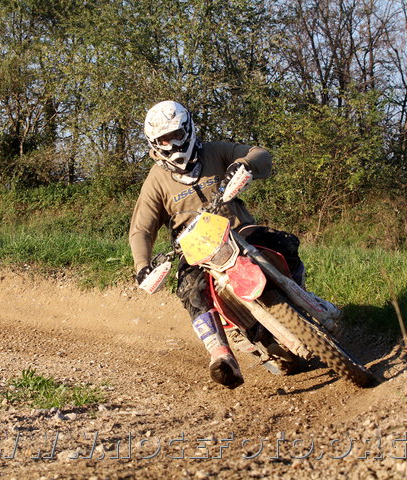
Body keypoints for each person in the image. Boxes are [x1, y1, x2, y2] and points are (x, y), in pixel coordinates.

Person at [129, 100, 309, 389]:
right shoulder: (156, 181)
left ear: (187, 129)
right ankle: (221, 355)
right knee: (191, 290)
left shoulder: (215, 151)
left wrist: (244, 164)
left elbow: (261, 154)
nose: (172, 143)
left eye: (176, 134)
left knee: (284, 244)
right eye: (164, 139)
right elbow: (141, 230)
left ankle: (303, 298)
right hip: (196, 252)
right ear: (154, 142)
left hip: (241, 232)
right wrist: (142, 266)